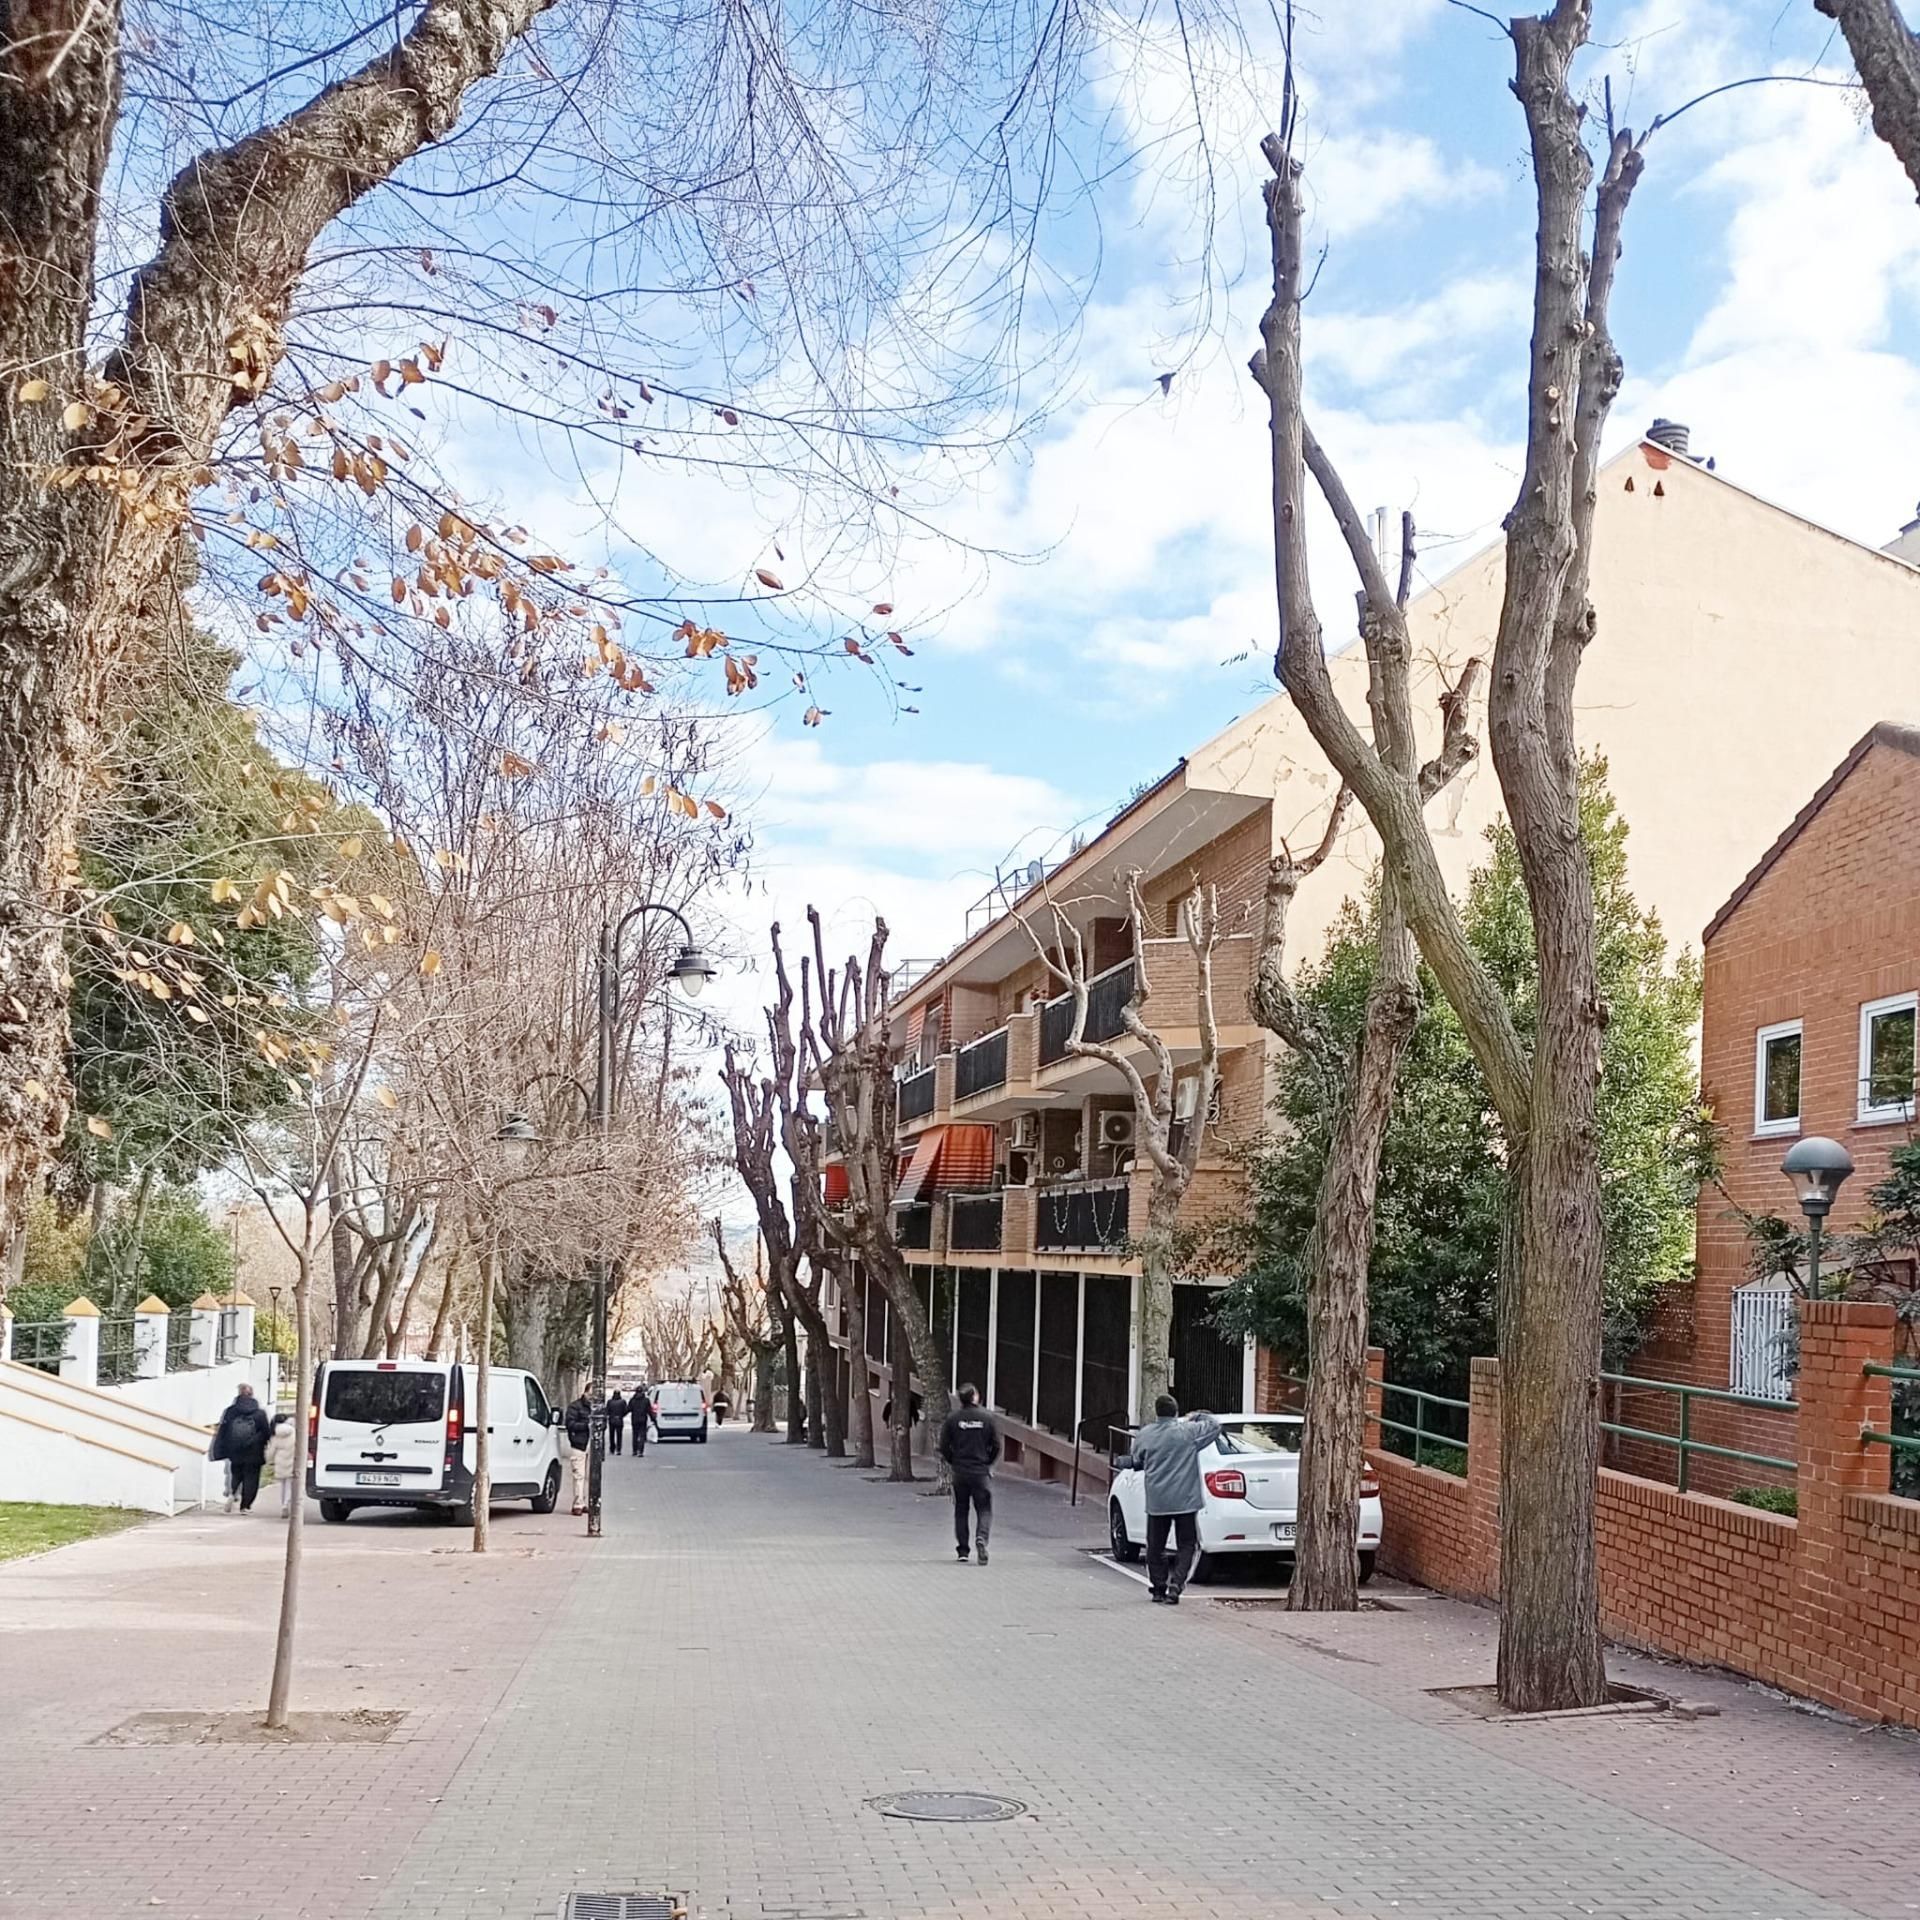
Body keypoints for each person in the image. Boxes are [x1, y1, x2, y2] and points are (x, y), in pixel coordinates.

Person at [1116, 1394, 1221, 1604]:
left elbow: (1138, 1459)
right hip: (1185, 1500)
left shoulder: (1145, 1435)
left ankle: (1158, 1587)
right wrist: (1196, 1415)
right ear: (1175, 1412)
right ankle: (1176, 1587)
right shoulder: (1188, 1432)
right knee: (1187, 1545)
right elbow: (1215, 1426)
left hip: (1158, 1501)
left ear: (1157, 1412)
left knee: (1155, 1547)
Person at [936, 1384, 999, 1565]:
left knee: (961, 1510)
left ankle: (963, 1550)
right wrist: (987, 1462)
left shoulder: (953, 1419)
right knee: (984, 1509)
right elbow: (996, 1445)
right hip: (980, 1472)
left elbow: (943, 1446)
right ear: (974, 1398)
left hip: (960, 1472)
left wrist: (953, 1461)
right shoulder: (987, 1418)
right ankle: (982, 1538)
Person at [210, 1383, 273, 1514]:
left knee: (236, 1474)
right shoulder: (259, 1413)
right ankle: (245, 1506)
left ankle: (233, 1494)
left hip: (235, 1451)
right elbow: (267, 1432)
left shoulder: (230, 1411)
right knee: (251, 1479)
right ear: (252, 1395)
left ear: (239, 1394)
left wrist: (223, 1448)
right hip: (254, 1453)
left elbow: (224, 1430)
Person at [563, 1391, 593, 1515]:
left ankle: (583, 1501)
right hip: (579, 1444)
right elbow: (570, 1424)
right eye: (591, 1393)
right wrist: (586, 1426)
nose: (592, 1397)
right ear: (585, 1393)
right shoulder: (575, 1406)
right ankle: (577, 1504)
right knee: (579, 1475)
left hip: (592, 1444)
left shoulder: (597, 1407)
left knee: (589, 1476)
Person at [266, 1411, 297, 1517]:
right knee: (289, 1484)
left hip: (280, 1461)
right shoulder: (293, 1431)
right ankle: (286, 1503)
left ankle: (283, 1504)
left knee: (282, 1485)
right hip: (292, 1459)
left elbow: (271, 1450)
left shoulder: (275, 1433)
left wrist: (267, 1460)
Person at [606, 1387, 628, 1456]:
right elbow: (625, 1410)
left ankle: (612, 1448)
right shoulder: (622, 1402)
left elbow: (607, 1411)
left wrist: (610, 1415)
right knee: (619, 1435)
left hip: (612, 1420)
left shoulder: (610, 1401)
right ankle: (618, 1449)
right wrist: (621, 1416)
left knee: (611, 1435)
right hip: (619, 1420)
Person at [629, 1386, 650, 1458]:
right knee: (642, 1435)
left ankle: (634, 1450)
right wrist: (654, 1419)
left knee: (635, 1435)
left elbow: (628, 1409)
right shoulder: (646, 1400)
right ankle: (640, 1451)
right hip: (643, 1420)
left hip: (634, 1420)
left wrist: (620, 1415)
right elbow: (649, 1410)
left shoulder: (632, 1400)